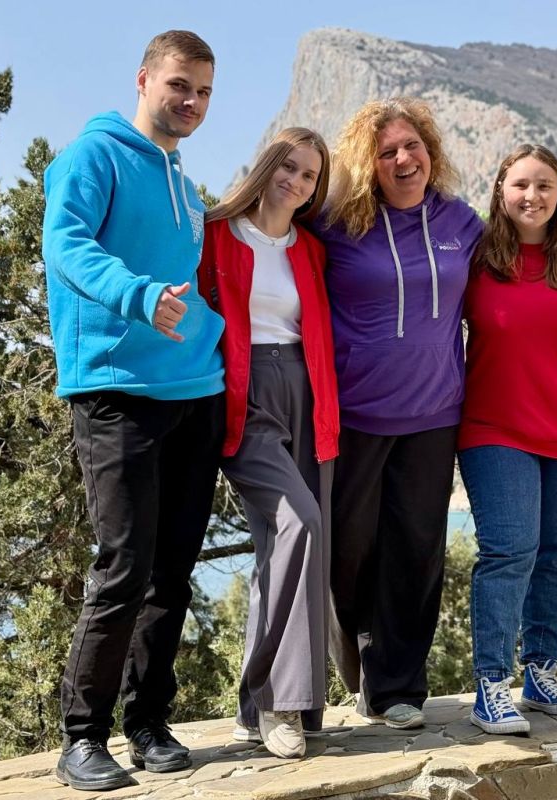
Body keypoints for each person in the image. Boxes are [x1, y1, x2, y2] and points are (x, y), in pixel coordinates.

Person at [42, 31, 224, 791]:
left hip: (194, 394)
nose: (191, 101)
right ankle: (82, 738)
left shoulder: (184, 180)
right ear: (145, 79)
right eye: (180, 85)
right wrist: (137, 296)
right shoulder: (94, 156)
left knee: (172, 572)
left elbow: (191, 280)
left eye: (204, 91)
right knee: (124, 567)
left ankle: (148, 723)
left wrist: (209, 337)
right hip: (115, 391)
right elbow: (65, 245)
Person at [313, 98, 483, 729]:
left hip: (434, 414)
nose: (403, 159)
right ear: (369, 164)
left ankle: (398, 687)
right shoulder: (337, 225)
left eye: (413, 146)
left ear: (430, 152)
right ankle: (359, 668)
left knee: (416, 552)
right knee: (348, 550)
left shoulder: (462, 222)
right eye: (387, 152)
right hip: (355, 414)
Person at [197, 127, 338, 758]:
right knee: (297, 522)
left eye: (310, 175)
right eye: (288, 167)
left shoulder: (311, 248)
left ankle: (258, 709)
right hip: (243, 392)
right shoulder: (216, 233)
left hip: (309, 389)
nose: (296, 182)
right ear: (266, 165)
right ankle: (279, 701)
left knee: (293, 547)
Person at [458, 145, 557, 734]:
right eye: (520, 184)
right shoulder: (475, 258)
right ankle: (491, 684)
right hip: (494, 429)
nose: (532, 196)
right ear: (500, 190)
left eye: (545, 185)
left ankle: (540, 671)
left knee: (556, 557)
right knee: (509, 550)